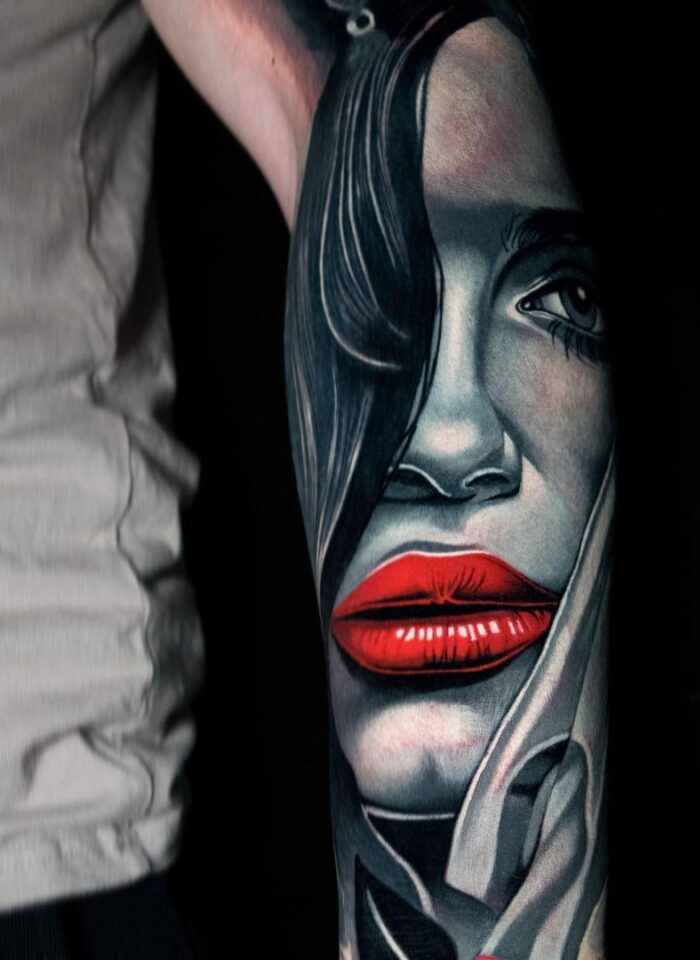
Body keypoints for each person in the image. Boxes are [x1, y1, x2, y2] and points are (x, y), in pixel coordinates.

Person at [0, 1, 611, 956]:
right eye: (375, 302)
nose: (450, 444)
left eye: (550, 302)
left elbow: (385, 100)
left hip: (50, 835)